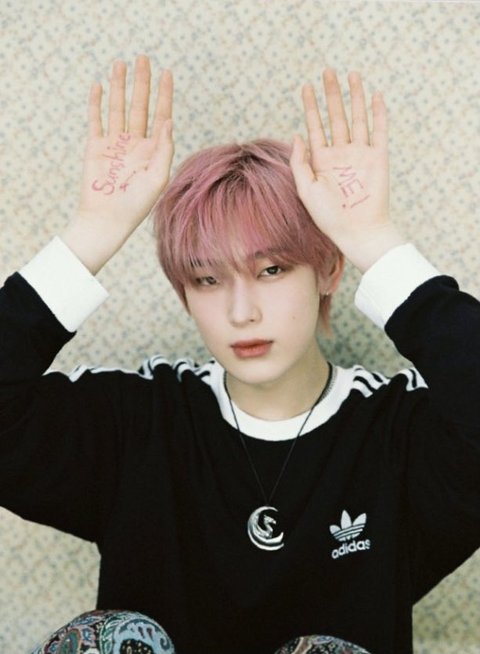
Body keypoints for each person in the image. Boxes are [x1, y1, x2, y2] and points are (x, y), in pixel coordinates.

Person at [0, 54, 478, 654]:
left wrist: (373, 239)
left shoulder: (402, 434)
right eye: (207, 280)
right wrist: (91, 233)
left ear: (328, 270)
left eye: (272, 270)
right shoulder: (138, 421)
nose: (241, 311)